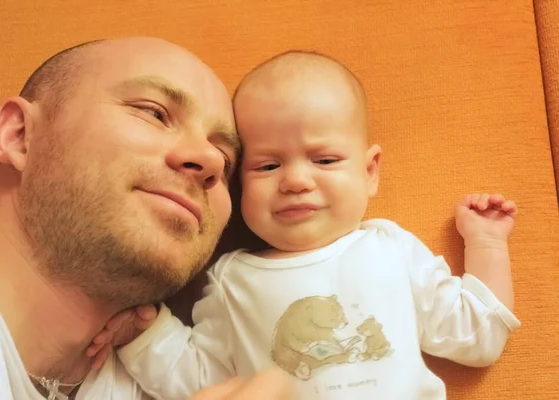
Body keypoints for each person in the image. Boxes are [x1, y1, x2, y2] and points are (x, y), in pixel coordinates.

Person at [94, 50, 521, 399]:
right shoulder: (233, 280)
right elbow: (205, 381)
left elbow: (478, 335)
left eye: (325, 160)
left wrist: (486, 244)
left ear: (370, 171)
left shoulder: (389, 249)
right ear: (238, 182)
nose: (296, 181)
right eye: (268, 165)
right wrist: (147, 338)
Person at [0, 36, 292, 400]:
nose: (211, 162)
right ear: (20, 135)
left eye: (226, 160)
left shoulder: (170, 381)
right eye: (154, 113)